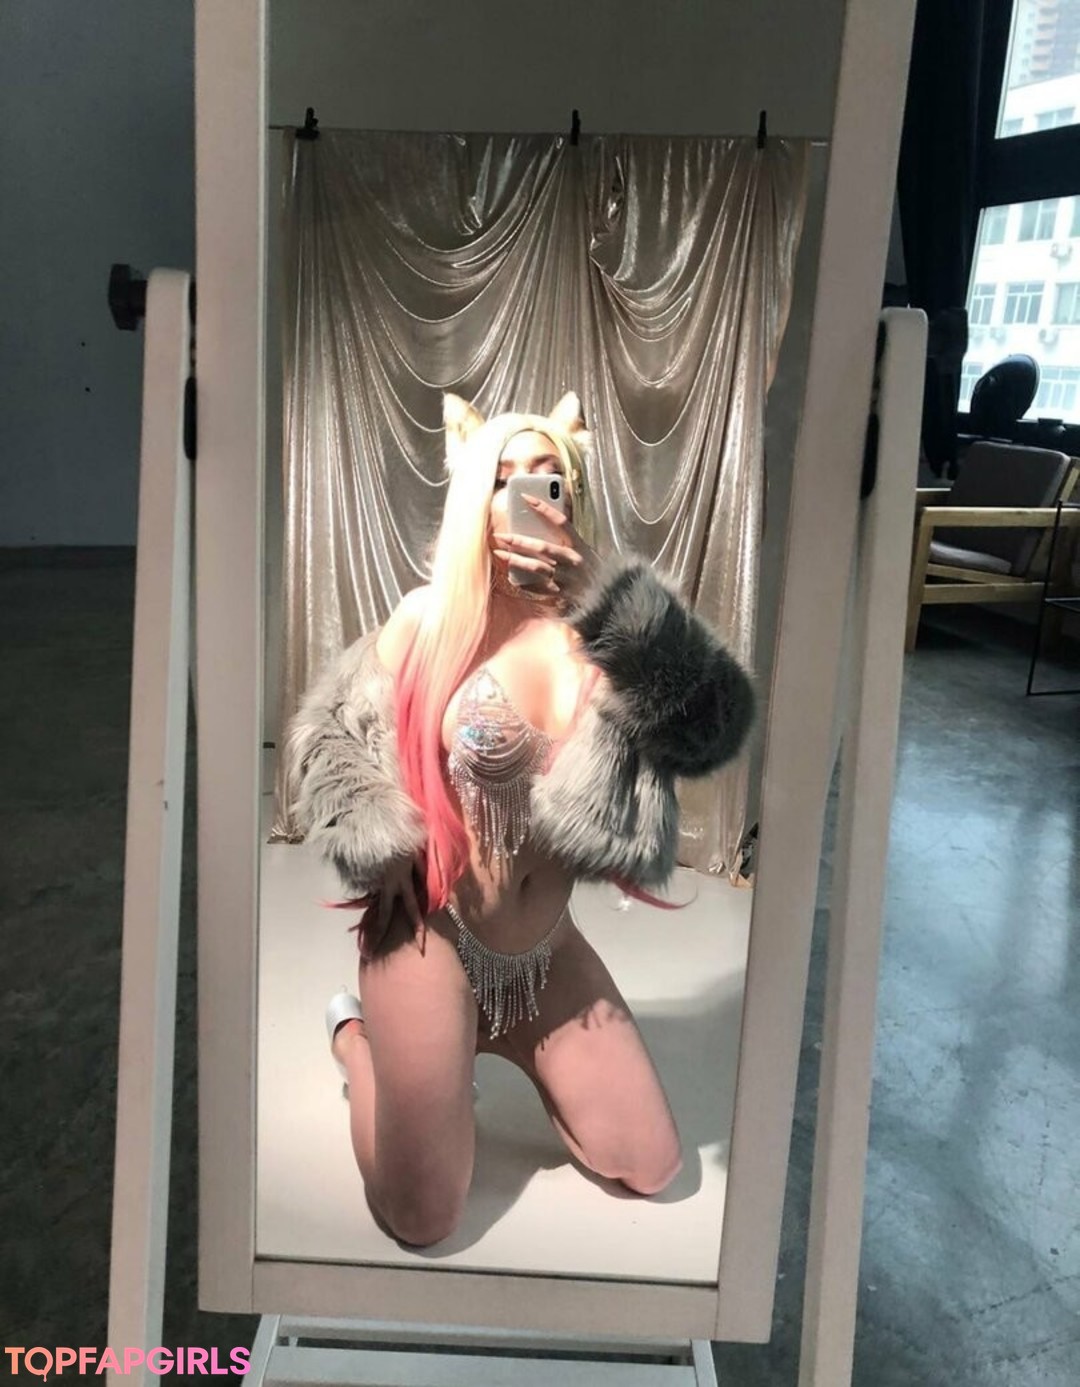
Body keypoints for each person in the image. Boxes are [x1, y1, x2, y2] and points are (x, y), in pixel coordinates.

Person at [285, 391, 754, 1247]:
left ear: (573, 495)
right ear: (474, 496)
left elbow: (715, 722)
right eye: (502, 478)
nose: (527, 495)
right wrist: (381, 843)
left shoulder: (609, 633)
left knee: (652, 1165)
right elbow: (332, 734)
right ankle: (358, 1040)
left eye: (549, 477)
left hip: (544, 953)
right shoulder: (430, 619)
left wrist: (611, 599)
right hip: (433, 937)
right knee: (424, 1217)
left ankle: (478, 1050)